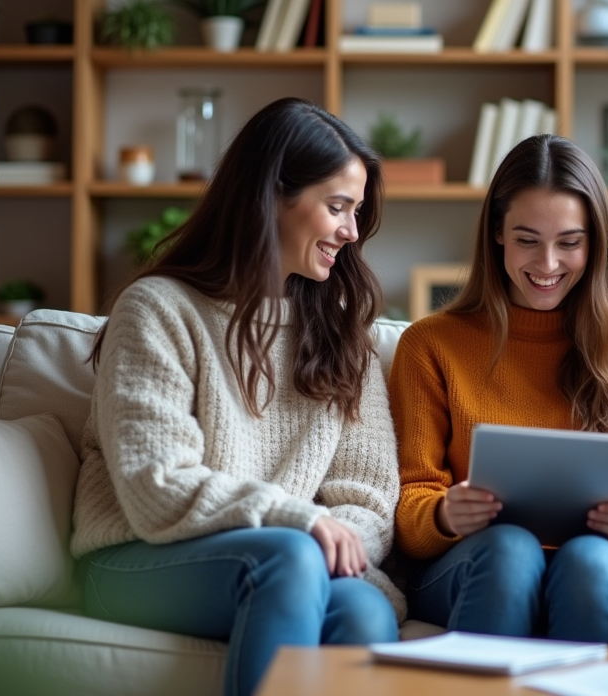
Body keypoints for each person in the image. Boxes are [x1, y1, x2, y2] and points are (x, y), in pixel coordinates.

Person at [70, 97, 403, 696]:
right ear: (272, 197)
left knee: (366, 611)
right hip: (136, 557)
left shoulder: (342, 330)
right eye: (337, 208)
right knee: (290, 560)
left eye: (356, 212)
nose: (353, 232)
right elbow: (155, 487)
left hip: (287, 560)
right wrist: (299, 522)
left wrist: (333, 537)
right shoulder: (159, 310)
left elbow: (370, 496)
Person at [389, 134, 608, 643]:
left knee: (594, 562)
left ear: (595, 243)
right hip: (468, 563)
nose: (548, 264)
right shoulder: (430, 346)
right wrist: (445, 512)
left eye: (570, 243)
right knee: (510, 548)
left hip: (585, 559)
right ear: (497, 233)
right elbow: (410, 502)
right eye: (527, 240)